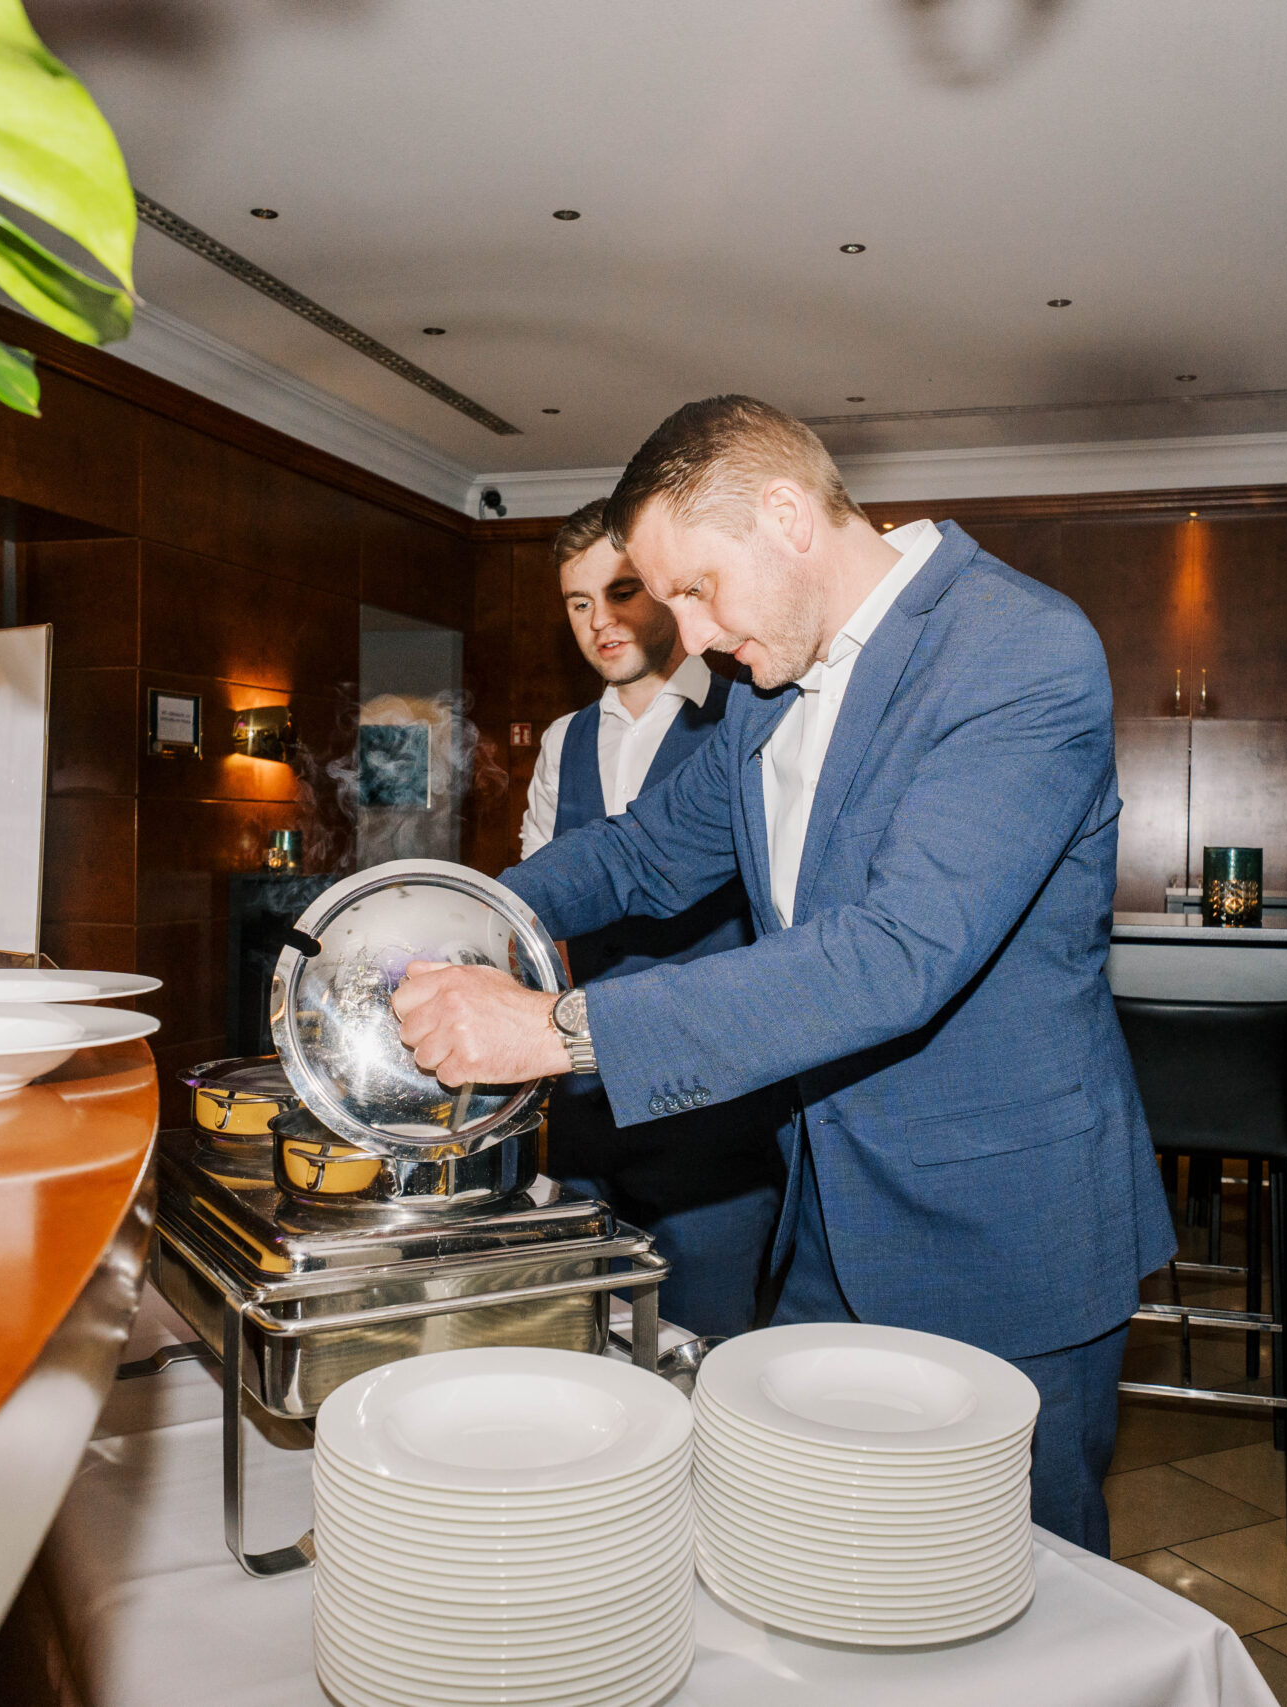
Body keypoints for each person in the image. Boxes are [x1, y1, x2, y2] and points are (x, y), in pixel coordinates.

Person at [395, 396, 1176, 1556]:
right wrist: (458, 912)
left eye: (697, 589)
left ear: (787, 518)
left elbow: (893, 955)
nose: (691, 635)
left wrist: (555, 1028)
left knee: (1019, 1585)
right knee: (813, 1563)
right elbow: (640, 853)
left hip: (1001, 1235)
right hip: (826, 1226)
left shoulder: (1016, 649)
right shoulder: (767, 692)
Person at [515, 500, 785, 1341]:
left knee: (703, 1352)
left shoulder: (748, 715)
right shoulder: (562, 740)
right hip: (585, 1107)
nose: (601, 620)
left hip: (713, 1118)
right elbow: (538, 918)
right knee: (577, 1343)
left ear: (667, 591)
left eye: (621, 592)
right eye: (579, 602)